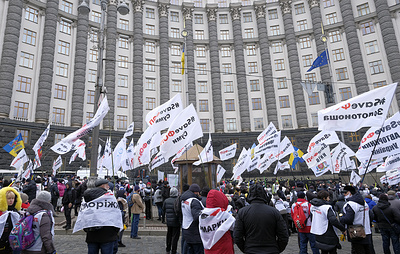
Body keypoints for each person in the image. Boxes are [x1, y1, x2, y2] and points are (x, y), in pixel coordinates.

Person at [234, 183, 289, 254]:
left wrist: (246, 249)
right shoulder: (274, 212)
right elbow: (284, 235)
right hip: (271, 249)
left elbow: (237, 236)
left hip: (251, 249)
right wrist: (277, 249)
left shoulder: (242, 212)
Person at [340, 185, 374, 254]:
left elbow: (348, 219)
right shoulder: (364, 203)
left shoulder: (350, 204)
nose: (344, 194)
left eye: (345, 193)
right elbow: (371, 215)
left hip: (356, 233)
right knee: (368, 250)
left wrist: (341, 219)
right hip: (367, 231)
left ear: (350, 193)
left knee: (357, 250)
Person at [200, 189, 235, 254]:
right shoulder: (224, 215)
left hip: (208, 249)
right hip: (224, 248)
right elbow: (235, 226)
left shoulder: (202, 215)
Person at [181, 184, 204, 254]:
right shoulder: (194, 201)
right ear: (196, 192)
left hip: (186, 228)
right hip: (194, 232)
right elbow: (196, 216)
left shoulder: (184, 199)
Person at [0, 187, 22, 254]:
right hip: (2, 240)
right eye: (9, 198)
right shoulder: (2, 213)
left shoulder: (16, 212)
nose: (11, 200)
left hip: (13, 240)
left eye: (12, 198)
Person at [163, 187, 180, 254]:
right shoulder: (178, 200)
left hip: (169, 221)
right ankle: (174, 250)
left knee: (169, 235)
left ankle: (168, 249)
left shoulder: (166, 201)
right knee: (175, 237)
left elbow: (163, 210)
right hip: (176, 221)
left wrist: (163, 219)